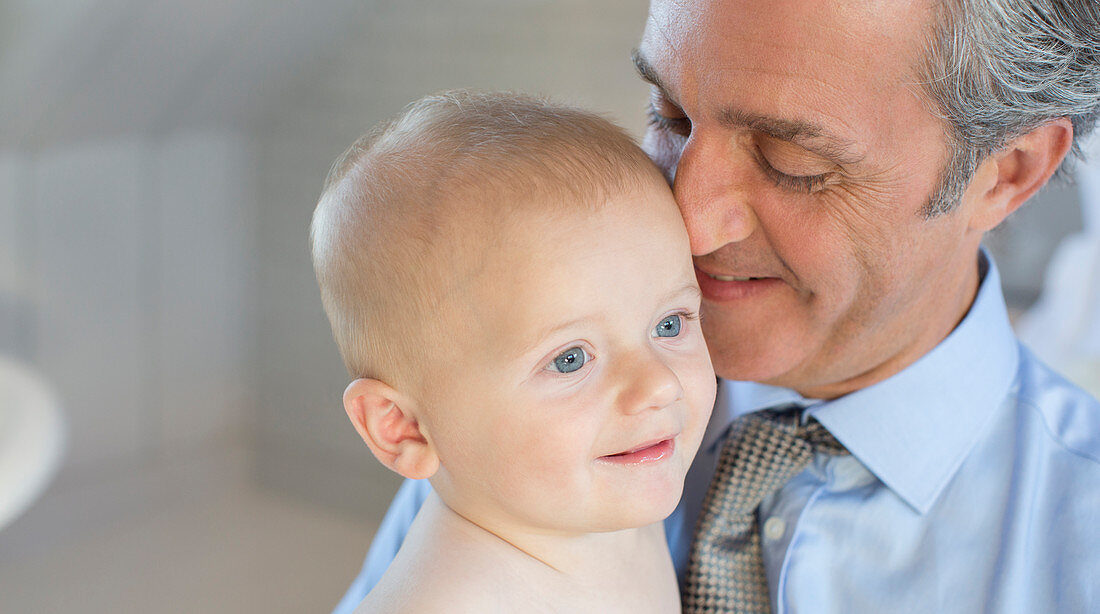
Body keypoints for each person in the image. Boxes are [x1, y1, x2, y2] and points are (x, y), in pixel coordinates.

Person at [335, 1, 1100, 612]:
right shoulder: (503, 434)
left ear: (1006, 172)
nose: (689, 222)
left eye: (791, 161)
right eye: (669, 116)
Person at [311, 91, 717, 613]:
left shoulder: (607, 501)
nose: (660, 384)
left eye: (669, 323)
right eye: (570, 358)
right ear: (405, 427)